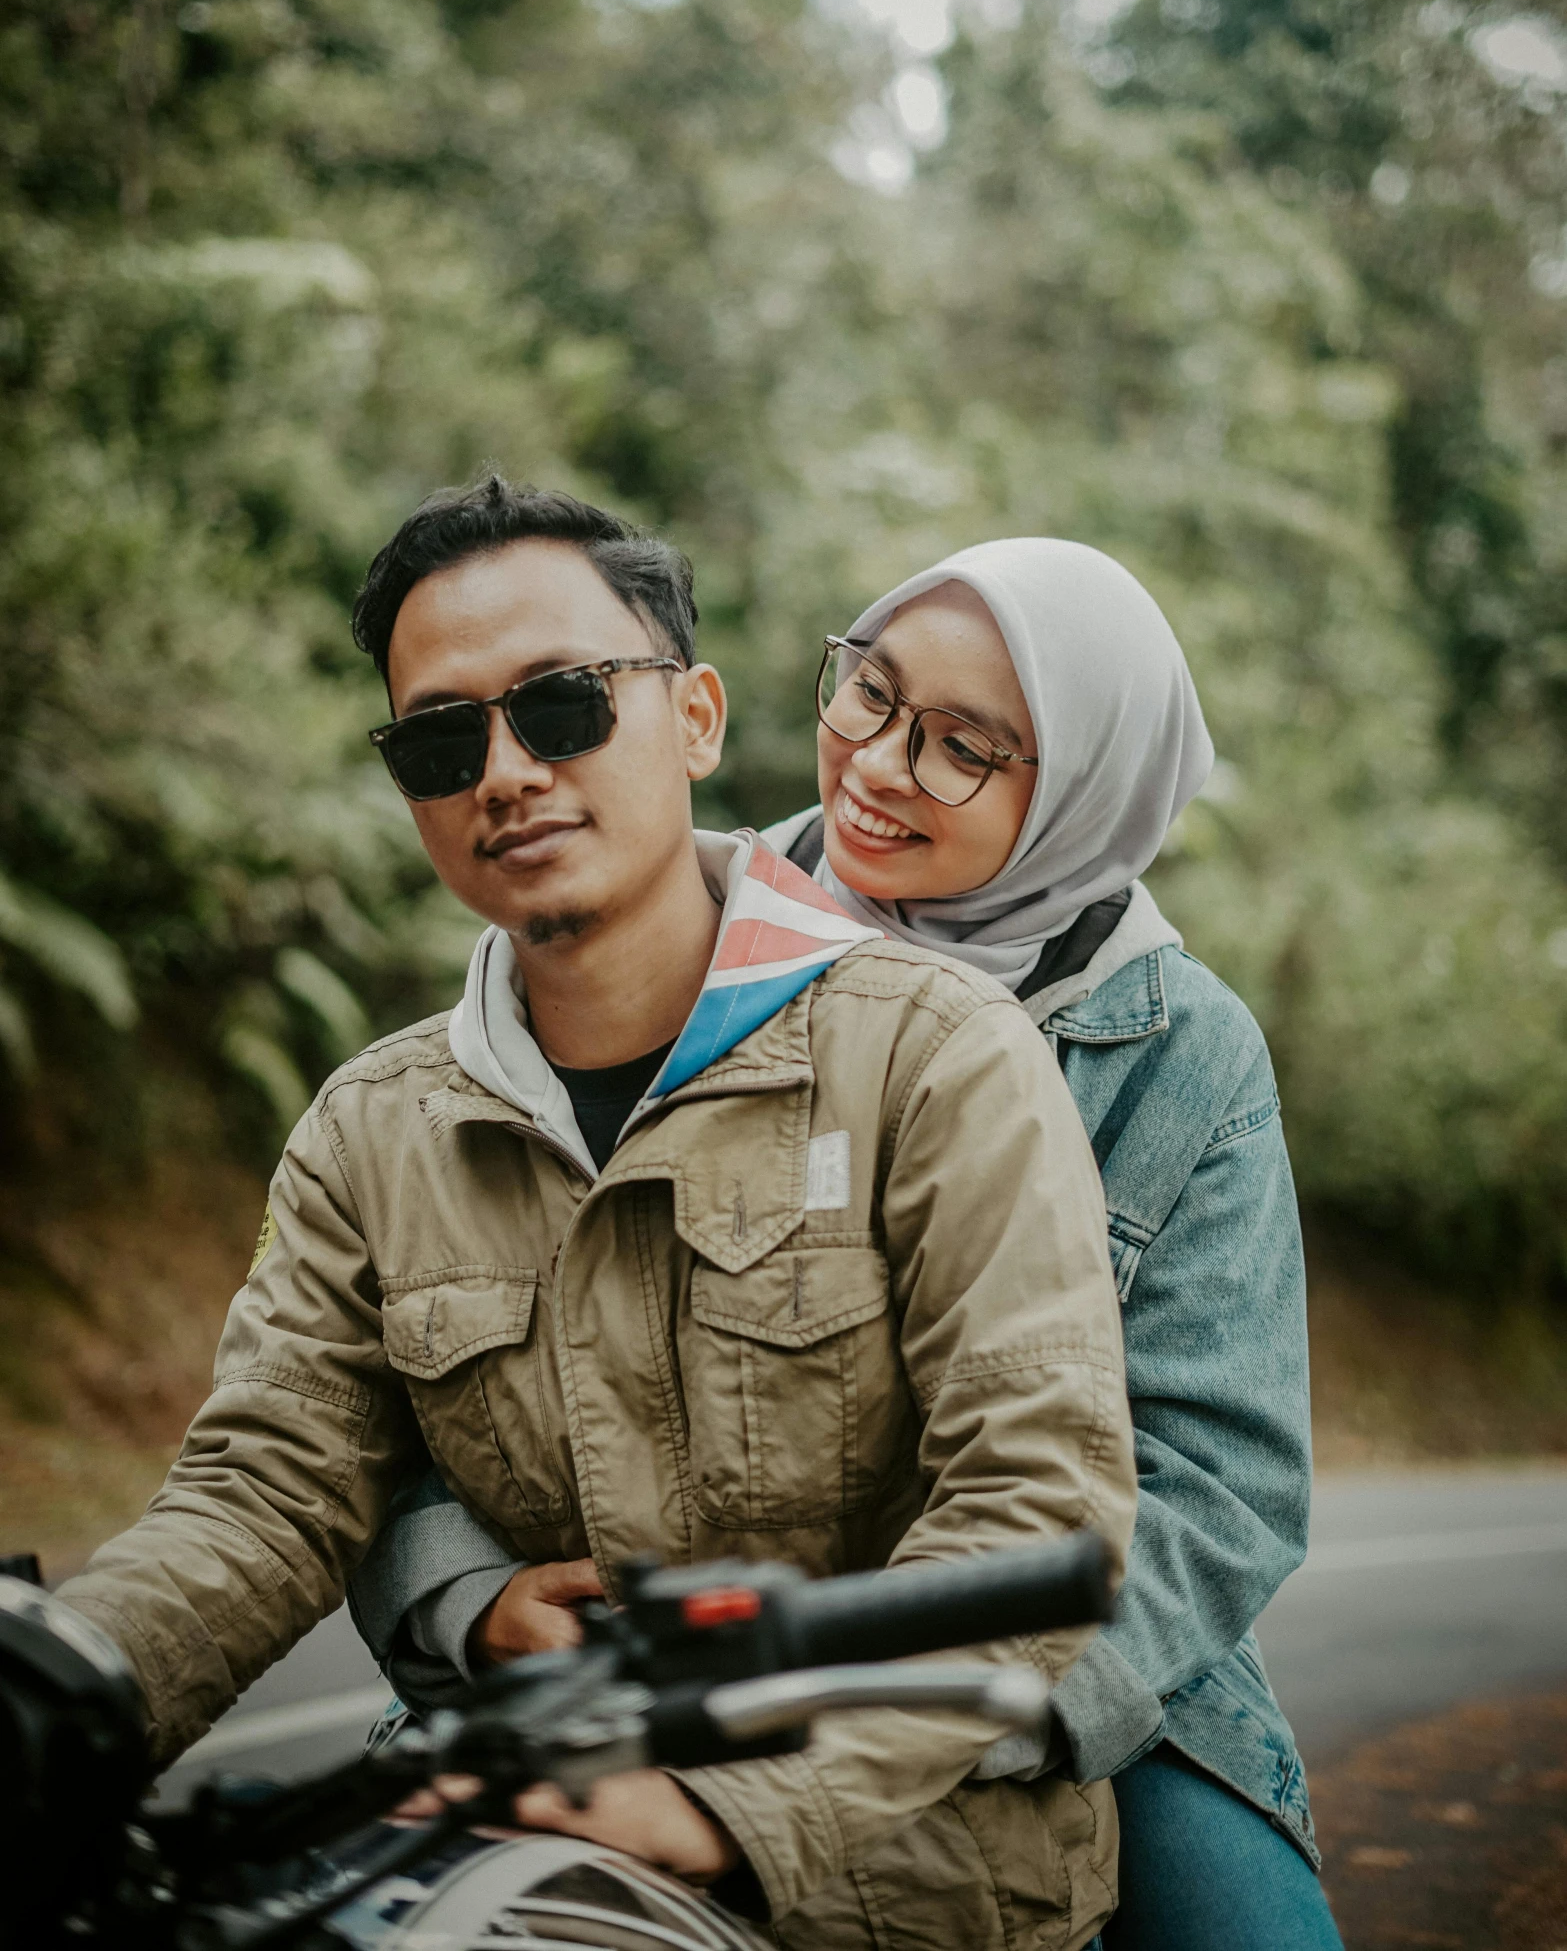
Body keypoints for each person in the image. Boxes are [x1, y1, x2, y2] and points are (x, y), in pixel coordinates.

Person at [54, 481, 1137, 1951]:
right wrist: (59, 1680)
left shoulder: (933, 1055)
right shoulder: (371, 1130)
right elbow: (263, 1491)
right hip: (496, 1834)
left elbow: (1038, 1497)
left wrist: (721, 1808)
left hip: (899, 1882)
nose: (502, 771)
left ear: (693, 718)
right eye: (442, 738)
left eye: (560, 706)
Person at [360, 533, 1343, 1951]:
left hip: (1060, 1672)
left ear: (1083, 782)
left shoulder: (1180, 1054)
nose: (880, 764)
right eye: (868, 694)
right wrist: (475, 1597)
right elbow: (415, 1356)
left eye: (963, 747)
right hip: (662, 1639)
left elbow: (1216, 1480)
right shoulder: (676, 927)